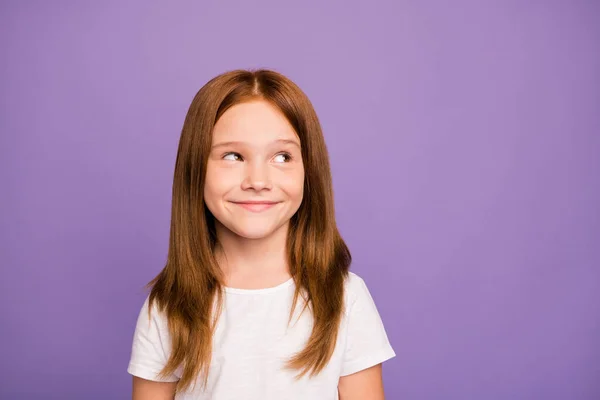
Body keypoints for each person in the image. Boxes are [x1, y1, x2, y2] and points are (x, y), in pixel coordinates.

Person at [127, 69, 396, 399]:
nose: (257, 180)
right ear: (196, 169)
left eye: (282, 156)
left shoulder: (344, 297)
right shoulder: (171, 305)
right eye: (233, 156)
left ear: (308, 171)